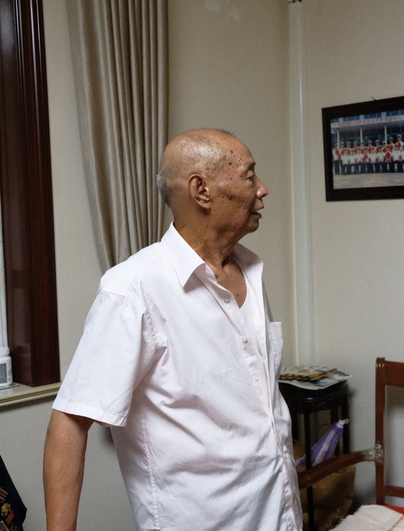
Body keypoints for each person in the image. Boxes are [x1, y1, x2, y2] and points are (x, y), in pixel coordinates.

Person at [43, 129, 302, 531]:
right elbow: (70, 420)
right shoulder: (134, 289)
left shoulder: (251, 271)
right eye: (250, 176)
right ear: (201, 190)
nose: (263, 189)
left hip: (279, 513)